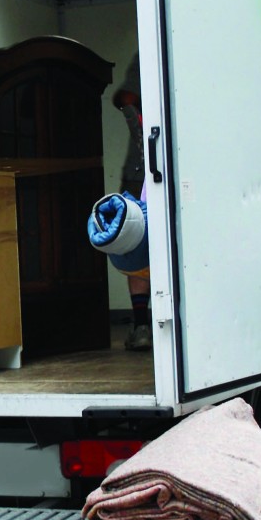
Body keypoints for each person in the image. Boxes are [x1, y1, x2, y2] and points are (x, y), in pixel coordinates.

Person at [112, 55, 151, 351]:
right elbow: (123, 97)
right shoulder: (146, 54)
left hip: (177, 173)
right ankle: (142, 326)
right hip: (141, 174)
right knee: (134, 247)